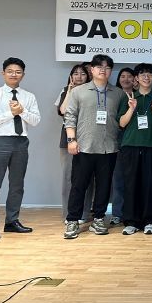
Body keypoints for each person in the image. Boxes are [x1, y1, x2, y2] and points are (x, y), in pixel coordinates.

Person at [0, 57, 41, 241]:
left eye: (18, 72)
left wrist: (22, 111)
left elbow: (36, 121)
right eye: (10, 71)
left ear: (23, 74)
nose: (14, 74)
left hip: (20, 143)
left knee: (17, 185)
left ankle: (12, 222)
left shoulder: (29, 96)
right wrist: (10, 114)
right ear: (3, 73)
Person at [63, 54, 121, 239]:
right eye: (99, 67)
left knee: (104, 187)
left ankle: (98, 219)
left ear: (111, 71)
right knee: (78, 186)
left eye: (107, 67)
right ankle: (72, 220)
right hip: (84, 147)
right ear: (92, 69)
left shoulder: (118, 93)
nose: (103, 70)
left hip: (109, 148)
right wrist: (71, 140)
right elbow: (70, 116)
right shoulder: (78, 92)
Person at [117, 63, 152, 235]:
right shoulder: (128, 96)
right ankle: (131, 221)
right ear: (136, 78)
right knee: (131, 185)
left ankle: (151, 221)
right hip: (131, 145)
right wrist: (131, 108)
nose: (146, 77)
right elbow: (122, 123)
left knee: (151, 185)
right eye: (142, 74)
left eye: (150, 74)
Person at [57, 64, 92, 223]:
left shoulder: (93, 91)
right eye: (75, 73)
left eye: (82, 74)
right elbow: (63, 111)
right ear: (71, 76)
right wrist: (70, 91)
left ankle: (84, 213)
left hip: (89, 139)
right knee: (68, 178)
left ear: (88, 76)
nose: (79, 77)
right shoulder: (65, 91)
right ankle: (68, 213)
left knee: (87, 179)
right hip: (68, 140)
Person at [109, 67, 135, 226]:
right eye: (122, 76)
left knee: (134, 179)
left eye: (129, 76)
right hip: (116, 140)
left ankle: (133, 211)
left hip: (135, 140)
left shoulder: (139, 95)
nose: (126, 79)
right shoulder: (114, 95)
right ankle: (117, 213)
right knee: (118, 178)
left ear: (135, 79)